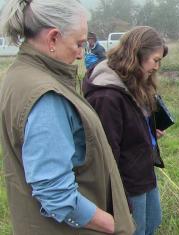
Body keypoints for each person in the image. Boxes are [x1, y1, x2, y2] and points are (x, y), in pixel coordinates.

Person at [0, 0, 134, 234]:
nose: (82, 54)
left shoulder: (18, 75)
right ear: (53, 38)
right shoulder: (46, 96)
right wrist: (113, 225)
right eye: (79, 43)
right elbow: (55, 192)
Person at [83, 26, 168, 235]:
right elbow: (106, 153)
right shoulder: (106, 97)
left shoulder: (133, 81)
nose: (157, 67)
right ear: (136, 55)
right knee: (134, 230)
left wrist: (145, 131)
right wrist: (119, 201)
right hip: (127, 183)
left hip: (144, 170)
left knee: (152, 223)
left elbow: (128, 124)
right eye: (155, 60)